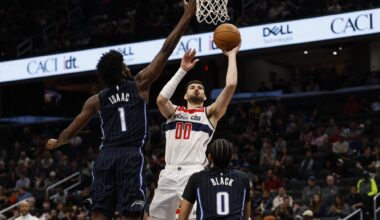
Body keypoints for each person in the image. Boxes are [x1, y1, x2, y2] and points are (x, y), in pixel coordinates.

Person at [45, 1, 197, 219]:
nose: (128, 66)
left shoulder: (95, 100)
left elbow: (70, 132)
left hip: (105, 156)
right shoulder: (140, 84)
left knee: (98, 212)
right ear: (122, 71)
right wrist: (186, 16)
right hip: (129, 154)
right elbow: (166, 49)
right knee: (132, 212)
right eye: (125, 64)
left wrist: (57, 141)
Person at [149, 42, 240, 220]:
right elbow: (161, 99)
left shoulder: (210, 114)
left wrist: (232, 55)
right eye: (192, 87)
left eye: (200, 88)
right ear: (185, 96)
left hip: (195, 172)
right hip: (169, 172)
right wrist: (182, 70)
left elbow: (230, 85)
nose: (196, 88)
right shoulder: (174, 113)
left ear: (205, 96)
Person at [178, 139, 251, 220]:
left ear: (209, 157)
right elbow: (246, 216)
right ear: (231, 157)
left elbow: (182, 216)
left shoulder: (197, 178)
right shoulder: (243, 178)